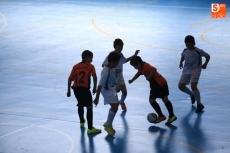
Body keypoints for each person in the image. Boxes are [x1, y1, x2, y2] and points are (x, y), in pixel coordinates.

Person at [129, 56, 177, 125]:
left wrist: (149, 76)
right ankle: (172, 116)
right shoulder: (142, 68)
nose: (135, 68)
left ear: (138, 64)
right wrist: (132, 80)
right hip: (162, 82)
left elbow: (154, 69)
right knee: (165, 99)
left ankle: (161, 116)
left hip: (157, 84)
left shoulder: (145, 66)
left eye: (135, 66)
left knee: (152, 100)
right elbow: (138, 74)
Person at [67, 50, 101, 134]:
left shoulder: (75, 66)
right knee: (89, 106)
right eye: (91, 58)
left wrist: (68, 90)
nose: (92, 60)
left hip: (75, 89)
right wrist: (94, 87)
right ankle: (90, 128)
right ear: (86, 57)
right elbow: (94, 76)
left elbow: (70, 79)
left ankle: (81, 122)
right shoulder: (90, 66)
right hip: (85, 89)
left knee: (80, 104)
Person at [102, 38, 140, 111]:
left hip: (120, 76)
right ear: (115, 47)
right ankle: (113, 101)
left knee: (125, 93)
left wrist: (134, 55)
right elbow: (103, 64)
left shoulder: (121, 55)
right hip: (113, 76)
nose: (120, 50)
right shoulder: (111, 55)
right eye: (118, 48)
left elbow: (125, 60)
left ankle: (121, 102)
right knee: (118, 89)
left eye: (121, 48)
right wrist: (109, 67)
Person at [178, 35, 210, 113]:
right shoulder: (185, 50)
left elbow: (207, 56)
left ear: (194, 44)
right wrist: (181, 62)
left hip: (196, 70)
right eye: (186, 45)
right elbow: (183, 56)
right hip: (186, 70)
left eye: (189, 45)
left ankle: (199, 104)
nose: (188, 46)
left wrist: (205, 64)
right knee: (181, 86)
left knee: (193, 85)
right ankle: (192, 94)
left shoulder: (198, 51)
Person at [93, 52, 121, 136]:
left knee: (115, 106)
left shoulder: (111, 67)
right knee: (115, 107)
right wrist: (97, 98)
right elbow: (100, 85)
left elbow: (113, 77)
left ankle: (108, 122)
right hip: (107, 91)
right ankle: (108, 126)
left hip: (112, 89)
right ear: (112, 62)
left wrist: (116, 84)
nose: (117, 64)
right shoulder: (105, 72)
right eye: (117, 62)